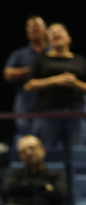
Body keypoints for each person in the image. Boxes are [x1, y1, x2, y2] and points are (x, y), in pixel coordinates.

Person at [25, 23, 86, 160]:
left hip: (75, 114)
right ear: (48, 40)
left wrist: (75, 83)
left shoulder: (80, 60)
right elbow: (29, 85)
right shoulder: (41, 59)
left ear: (69, 37)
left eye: (60, 31)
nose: (56, 34)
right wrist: (55, 80)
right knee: (45, 153)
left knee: (77, 156)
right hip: (48, 113)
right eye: (51, 32)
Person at [0, 134, 68, 205]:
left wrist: (23, 187)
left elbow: (60, 195)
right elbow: (7, 191)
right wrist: (44, 187)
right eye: (24, 151)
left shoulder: (57, 175)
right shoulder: (12, 174)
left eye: (32, 148)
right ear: (20, 156)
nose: (29, 152)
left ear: (43, 150)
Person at [3, 16, 50, 136]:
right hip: (25, 102)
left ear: (46, 30)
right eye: (29, 26)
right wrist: (29, 71)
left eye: (37, 25)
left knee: (48, 139)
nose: (33, 28)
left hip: (51, 102)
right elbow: (8, 74)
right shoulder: (20, 54)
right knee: (25, 136)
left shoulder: (53, 52)